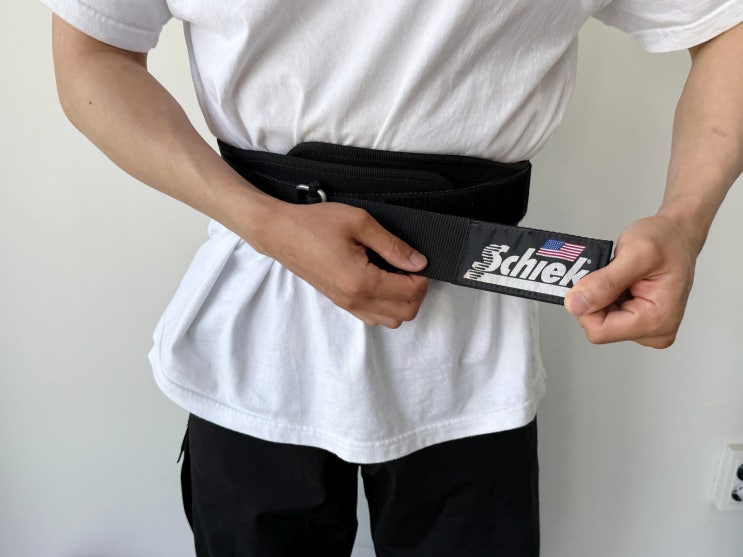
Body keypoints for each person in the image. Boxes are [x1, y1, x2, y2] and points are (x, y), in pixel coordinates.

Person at [44, 1, 743, 556]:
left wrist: (684, 220)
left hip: (473, 353)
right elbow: (92, 51)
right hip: (258, 336)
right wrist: (262, 218)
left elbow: (726, 24)